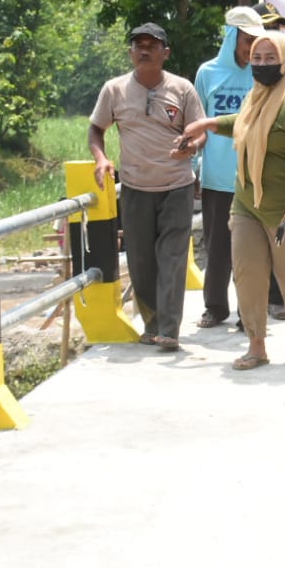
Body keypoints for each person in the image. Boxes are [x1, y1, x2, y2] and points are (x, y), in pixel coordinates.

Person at [183, 31, 285, 369]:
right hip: (247, 202)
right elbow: (243, 124)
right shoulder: (256, 97)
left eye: (269, 59)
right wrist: (208, 123)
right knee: (248, 274)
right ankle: (256, 345)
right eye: (256, 59)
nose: (261, 65)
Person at [87, 22, 206, 352]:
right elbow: (96, 131)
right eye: (138, 45)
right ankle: (152, 322)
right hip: (136, 188)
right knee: (140, 261)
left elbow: (201, 132)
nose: (143, 50)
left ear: (165, 53)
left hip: (177, 187)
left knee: (171, 257)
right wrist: (101, 159)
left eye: (151, 45)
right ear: (130, 52)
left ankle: (169, 328)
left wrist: (191, 146)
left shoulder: (182, 90)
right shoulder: (115, 90)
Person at [194, 6, 260, 330]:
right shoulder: (207, 73)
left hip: (253, 177)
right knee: (216, 247)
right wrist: (194, 168)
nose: (252, 48)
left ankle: (247, 312)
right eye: (247, 40)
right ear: (232, 36)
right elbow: (196, 122)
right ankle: (215, 307)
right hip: (217, 177)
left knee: (249, 251)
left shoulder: (260, 73)